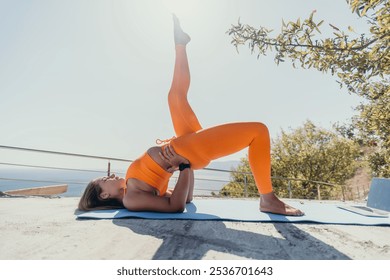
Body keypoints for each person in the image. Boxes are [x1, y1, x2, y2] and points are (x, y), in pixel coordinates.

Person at [78, 15, 304, 216]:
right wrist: (184, 165)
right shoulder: (131, 199)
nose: (109, 176)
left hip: (185, 147)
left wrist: (184, 168)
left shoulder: (133, 190)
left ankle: (180, 44)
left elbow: (186, 197)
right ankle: (268, 199)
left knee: (175, 97)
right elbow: (176, 206)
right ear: (104, 195)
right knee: (258, 131)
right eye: (104, 181)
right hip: (187, 151)